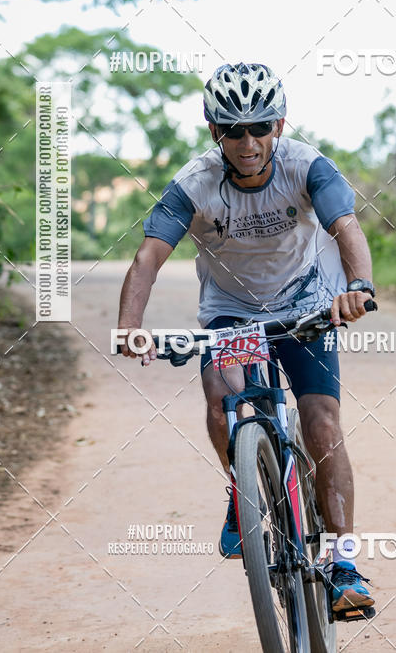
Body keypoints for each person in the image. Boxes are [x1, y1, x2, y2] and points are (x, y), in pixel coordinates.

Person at [117, 62, 377, 613]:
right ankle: (244, 490)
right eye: (233, 130)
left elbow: (347, 228)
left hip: (307, 307)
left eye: (259, 126)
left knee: (322, 422)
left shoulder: (309, 167)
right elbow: (147, 259)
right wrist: (130, 327)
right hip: (232, 316)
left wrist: (357, 285)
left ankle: (344, 562)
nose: (248, 141)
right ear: (215, 132)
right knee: (221, 405)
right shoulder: (193, 184)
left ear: (278, 125)